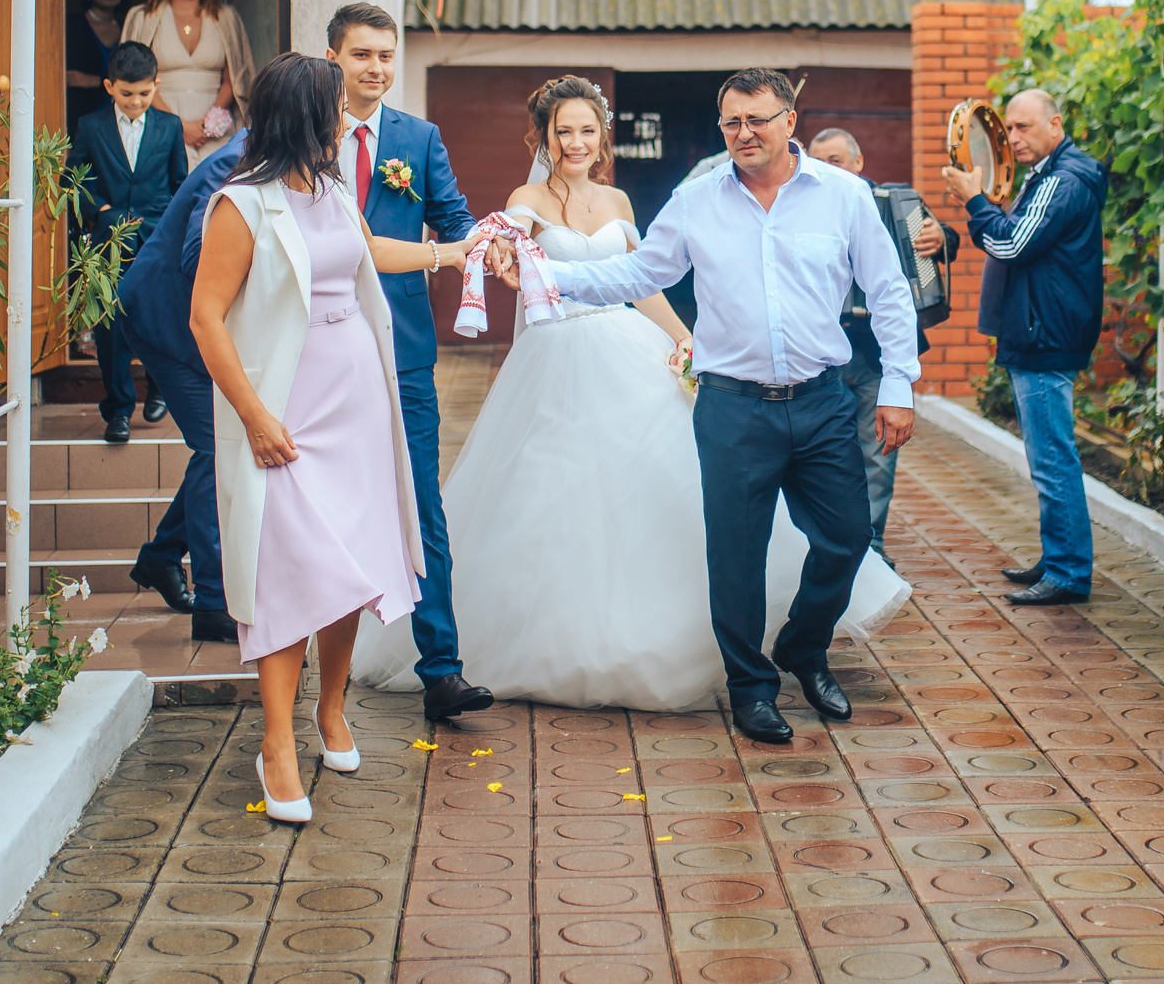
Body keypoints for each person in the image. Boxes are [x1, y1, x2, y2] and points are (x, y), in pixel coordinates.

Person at [360, 81, 913, 714]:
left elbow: (884, 289)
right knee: (722, 545)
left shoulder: (839, 196)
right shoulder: (683, 199)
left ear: (790, 121)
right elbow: (619, 267)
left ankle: (801, 644)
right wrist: (529, 265)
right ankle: (747, 688)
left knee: (845, 534)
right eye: (731, 121)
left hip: (798, 390)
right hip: (652, 378)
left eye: (757, 119)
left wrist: (686, 338)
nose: (743, 132)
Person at [188, 53, 477, 820]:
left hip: (356, 404)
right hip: (285, 408)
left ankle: (332, 707)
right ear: (306, 114)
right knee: (289, 569)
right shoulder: (240, 205)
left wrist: (452, 251)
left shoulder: (333, 187)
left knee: (349, 561)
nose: (347, 116)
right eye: (336, 105)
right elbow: (206, 317)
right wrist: (254, 415)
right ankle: (276, 741)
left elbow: (368, 252)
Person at [321, 1, 491, 722]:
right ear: (334, 56)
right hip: (321, 348)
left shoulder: (418, 138)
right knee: (324, 506)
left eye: (386, 56)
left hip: (405, 351)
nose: (377, 68)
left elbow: (453, 219)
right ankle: (319, 675)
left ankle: (442, 670)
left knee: (422, 504)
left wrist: (486, 245)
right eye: (362, 54)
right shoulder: (304, 132)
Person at [940, 88, 1108, 608]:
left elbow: (1010, 244)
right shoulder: (1047, 175)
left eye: (1024, 127)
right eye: (1009, 128)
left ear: (1055, 125)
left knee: (1052, 458)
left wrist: (973, 201)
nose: (1013, 138)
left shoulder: (1062, 181)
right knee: (1047, 456)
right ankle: (1058, 556)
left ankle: (1068, 571)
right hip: (1040, 332)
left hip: (1045, 337)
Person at [116, 107, 247, 642]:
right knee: (218, 449)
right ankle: (214, 601)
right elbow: (198, 255)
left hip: (197, 326)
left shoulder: (285, 162)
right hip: (164, 319)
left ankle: (162, 555)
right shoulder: (234, 164)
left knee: (223, 448)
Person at [806, 127, 954, 566]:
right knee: (821, 454)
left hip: (875, 352)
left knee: (877, 454)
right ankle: (827, 543)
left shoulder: (890, 201)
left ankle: (870, 548)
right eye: (818, 162)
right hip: (821, 352)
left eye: (835, 160)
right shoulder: (801, 206)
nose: (827, 169)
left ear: (858, 162)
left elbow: (933, 232)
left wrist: (942, 236)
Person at [68, 39, 188, 443]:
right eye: (127, 94)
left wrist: (174, 232)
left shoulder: (170, 127)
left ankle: (158, 388)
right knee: (112, 328)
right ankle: (118, 410)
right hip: (109, 239)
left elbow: (179, 185)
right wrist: (100, 209)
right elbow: (74, 180)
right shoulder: (91, 126)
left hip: (156, 239)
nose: (136, 102)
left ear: (156, 85)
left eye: (144, 93)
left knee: (156, 318)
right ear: (109, 87)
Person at [124, 0, 256, 165]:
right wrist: (179, 125)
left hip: (215, 129)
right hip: (160, 121)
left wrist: (208, 124)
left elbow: (235, 79)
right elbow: (132, 78)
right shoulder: (144, 17)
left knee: (219, 179)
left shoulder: (226, 17)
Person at [64, 0, 129, 130]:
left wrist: (95, 81)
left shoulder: (129, 27)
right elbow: (70, 78)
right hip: (81, 120)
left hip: (124, 119)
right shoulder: (71, 26)